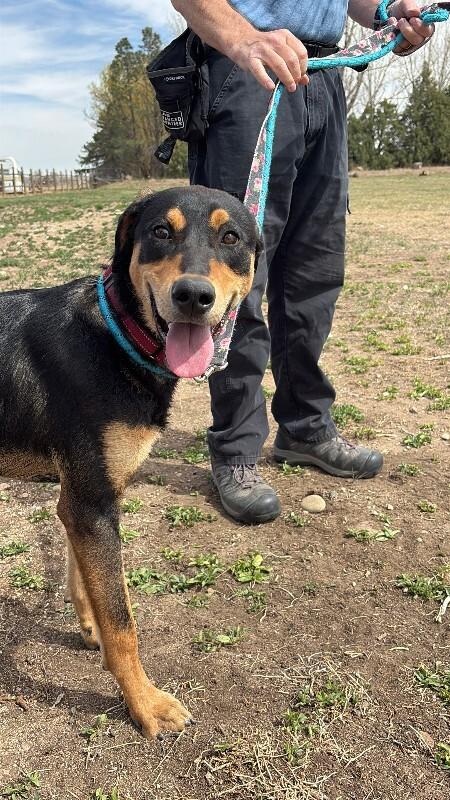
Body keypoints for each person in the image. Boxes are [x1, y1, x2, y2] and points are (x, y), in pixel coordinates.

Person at [171, 0, 434, 524]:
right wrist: (242, 38)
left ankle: (306, 427)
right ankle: (236, 447)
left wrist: (389, 12)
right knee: (236, 275)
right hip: (249, 73)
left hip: (324, 76)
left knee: (315, 270)